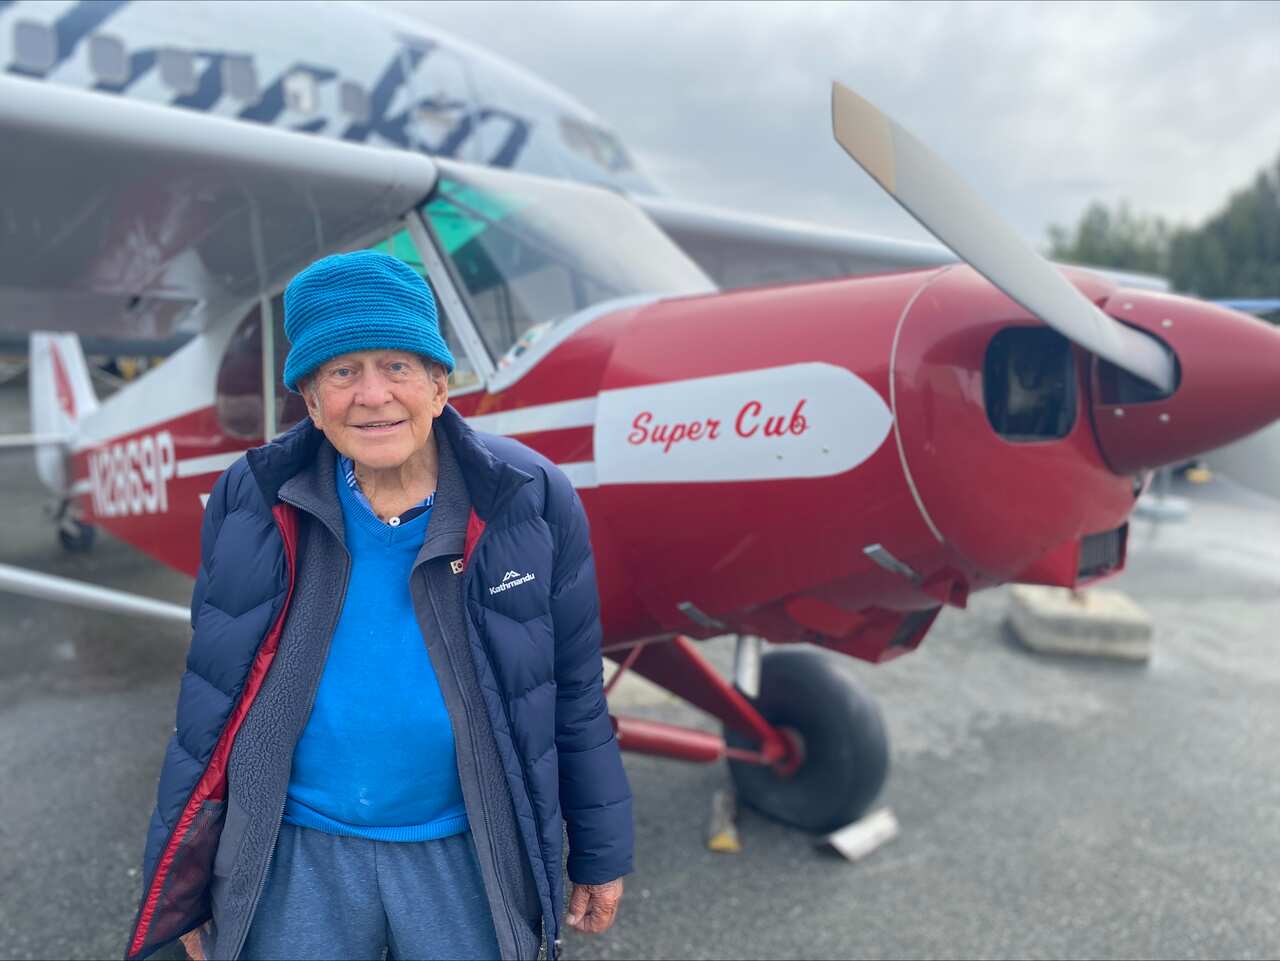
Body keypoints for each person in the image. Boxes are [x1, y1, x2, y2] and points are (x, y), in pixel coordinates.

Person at [124, 250, 632, 961]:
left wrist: (601, 849)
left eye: (397, 365)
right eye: (341, 371)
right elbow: (209, 701)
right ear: (309, 400)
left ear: (439, 384)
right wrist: (186, 884)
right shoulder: (252, 495)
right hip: (294, 851)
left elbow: (574, 691)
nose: (371, 395)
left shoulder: (530, 498)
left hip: (465, 847)